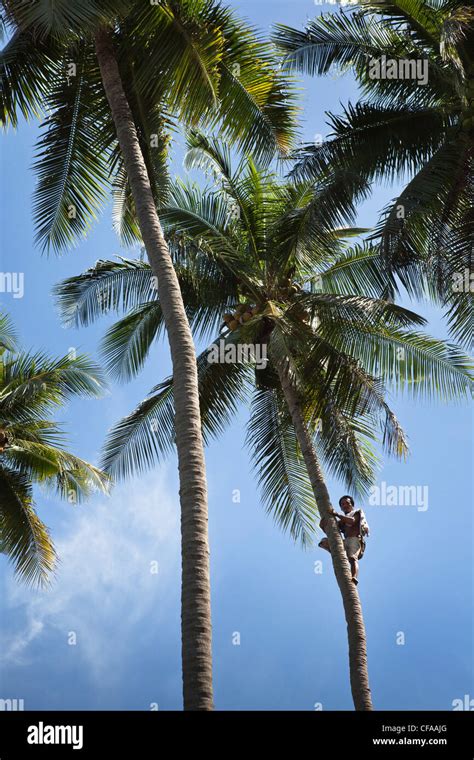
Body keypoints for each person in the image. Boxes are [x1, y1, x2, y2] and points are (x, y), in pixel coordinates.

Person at [318, 496, 370, 585]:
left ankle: (354, 577)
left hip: (354, 539)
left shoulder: (356, 512)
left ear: (352, 505)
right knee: (324, 541)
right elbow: (332, 532)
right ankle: (334, 551)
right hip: (345, 541)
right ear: (341, 508)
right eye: (342, 504)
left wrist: (336, 514)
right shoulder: (342, 519)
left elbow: (352, 521)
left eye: (347, 503)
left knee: (352, 558)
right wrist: (323, 526)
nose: (345, 505)